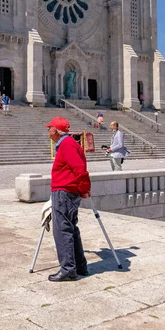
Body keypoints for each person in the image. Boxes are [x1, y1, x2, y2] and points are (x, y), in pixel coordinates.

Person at [46, 116, 91, 282]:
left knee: (63, 230)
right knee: (71, 228)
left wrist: (85, 189)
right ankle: (80, 266)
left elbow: (79, 169)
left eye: (50, 128)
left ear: (56, 131)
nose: (48, 131)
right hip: (67, 191)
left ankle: (68, 269)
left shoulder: (67, 145)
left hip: (64, 192)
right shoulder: (69, 143)